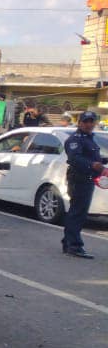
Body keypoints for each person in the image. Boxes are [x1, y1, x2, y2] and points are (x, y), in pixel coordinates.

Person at [61, 110, 105, 259]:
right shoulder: (75, 139)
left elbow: (94, 156)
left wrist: (101, 163)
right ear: (79, 123)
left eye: (91, 121)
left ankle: (69, 242)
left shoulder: (89, 138)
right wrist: (93, 165)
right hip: (79, 179)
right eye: (85, 121)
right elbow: (75, 158)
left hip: (87, 179)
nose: (88, 124)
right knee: (77, 213)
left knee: (78, 212)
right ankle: (74, 246)